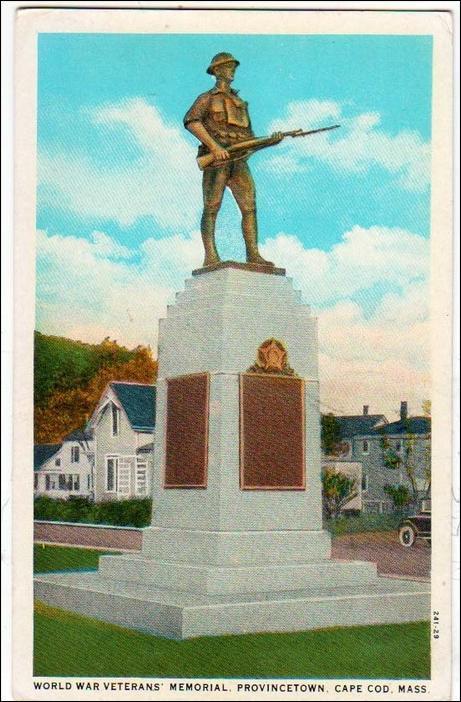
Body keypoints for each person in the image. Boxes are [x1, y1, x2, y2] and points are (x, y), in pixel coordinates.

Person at [184, 52, 282, 267]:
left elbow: (249, 139)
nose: (232, 70)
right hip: (217, 161)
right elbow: (191, 122)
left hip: (239, 161)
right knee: (212, 207)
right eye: (228, 67)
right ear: (217, 71)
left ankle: (253, 254)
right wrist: (214, 147)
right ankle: (210, 256)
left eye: (233, 67)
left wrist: (270, 142)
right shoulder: (206, 98)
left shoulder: (240, 103)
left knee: (249, 207)